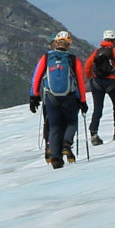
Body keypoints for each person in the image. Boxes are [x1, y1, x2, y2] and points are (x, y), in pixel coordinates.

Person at [29, 32, 86, 168]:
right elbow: (80, 82)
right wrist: (82, 100)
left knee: (54, 127)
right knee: (71, 122)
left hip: (50, 97)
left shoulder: (47, 57)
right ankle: (66, 143)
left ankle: (55, 159)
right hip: (69, 97)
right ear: (69, 43)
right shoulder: (73, 59)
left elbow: (36, 77)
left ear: (56, 43)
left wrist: (34, 96)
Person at [85, 30, 115, 144]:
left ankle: (94, 133)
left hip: (97, 82)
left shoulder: (97, 51)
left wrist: (91, 77)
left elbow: (87, 66)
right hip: (112, 82)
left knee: (98, 108)